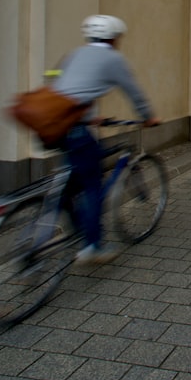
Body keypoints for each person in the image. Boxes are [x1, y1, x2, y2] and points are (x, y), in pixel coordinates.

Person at [52, 14, 160, 264]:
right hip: (77, 130)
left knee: (69, 183)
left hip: (58, 127)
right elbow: (134, 92)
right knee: (92, 186)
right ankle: (92, 246)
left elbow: (64, 89)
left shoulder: (75, 55)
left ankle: (76, 224)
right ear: (113, 37)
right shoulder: (112, 59)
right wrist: (149, 117)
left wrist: (90, 117)